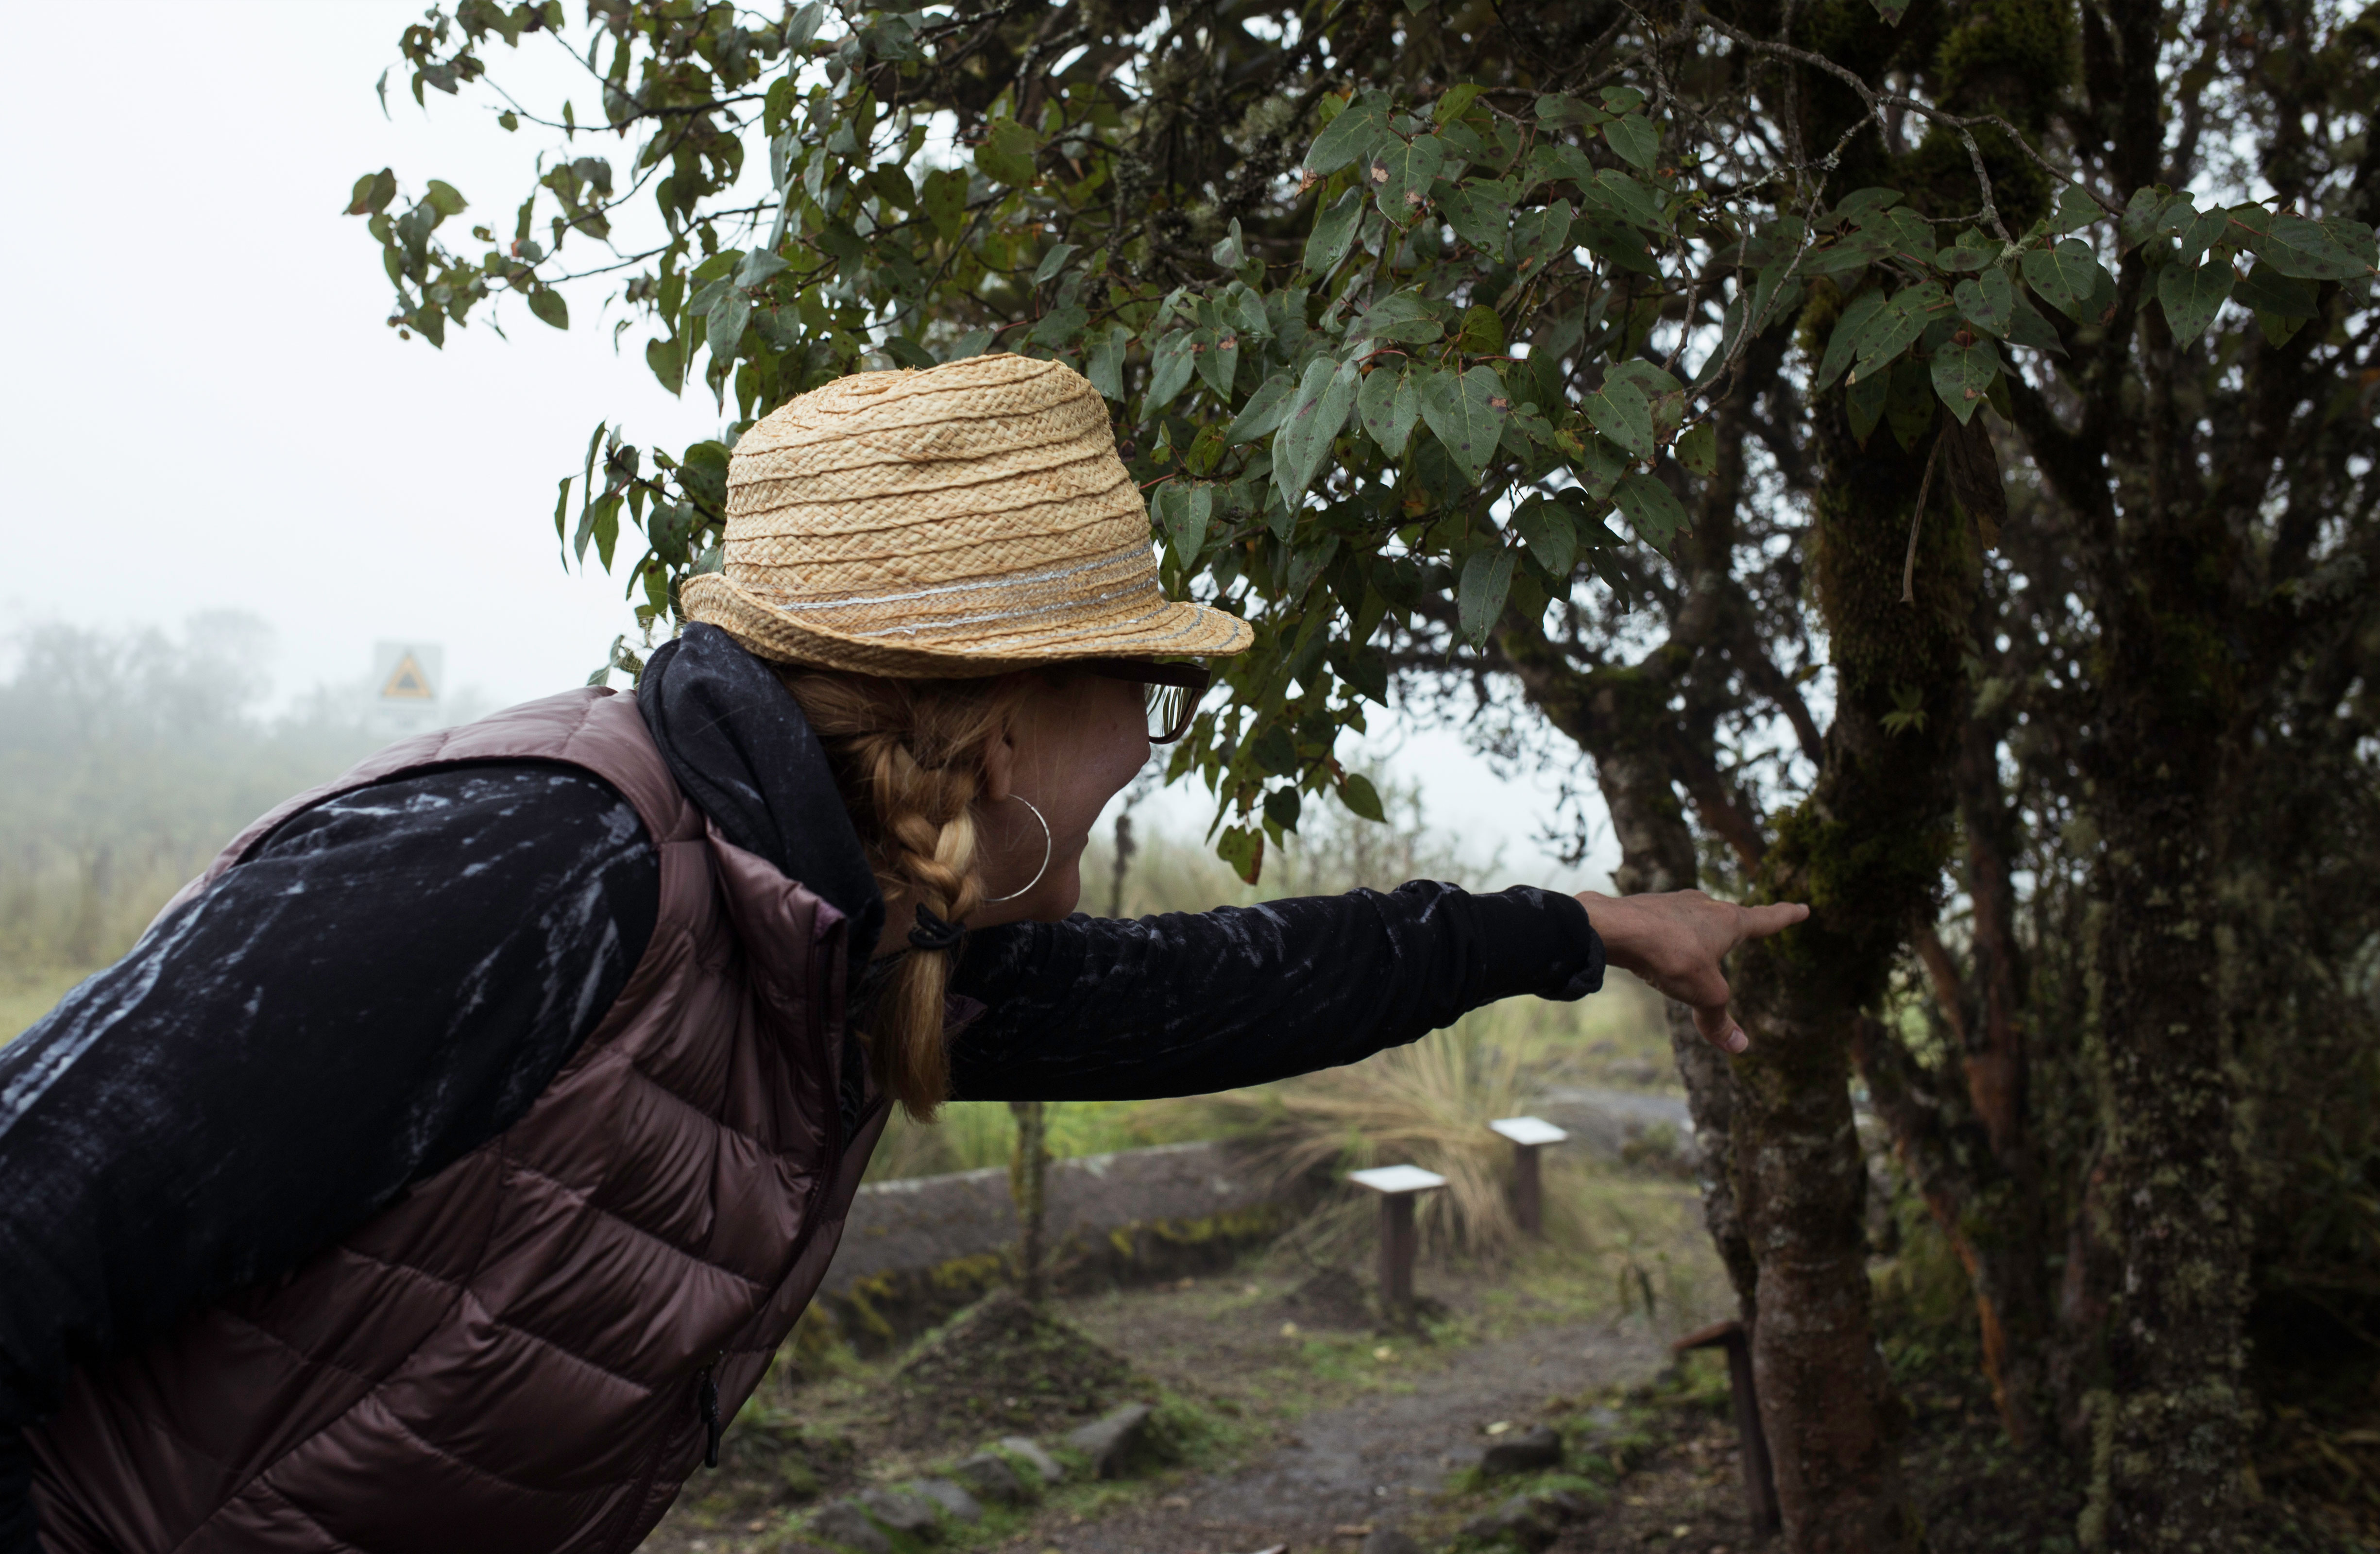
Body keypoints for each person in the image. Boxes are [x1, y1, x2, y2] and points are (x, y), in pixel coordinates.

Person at [0, 355, 1804, 1553]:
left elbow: (1218, 991)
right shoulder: (531, 865)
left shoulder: (836, 932)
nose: (1157, 736)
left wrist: (1577, 929)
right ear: (999, 724)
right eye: (1142, 679)